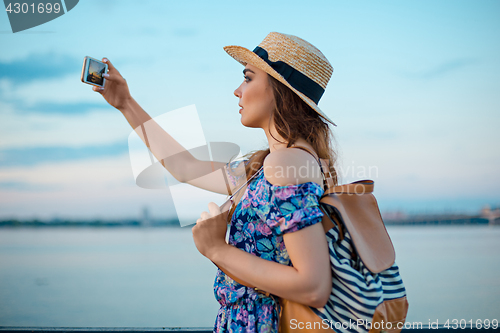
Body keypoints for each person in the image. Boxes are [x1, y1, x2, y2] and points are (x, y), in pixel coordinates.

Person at [93, 32, 338, 332]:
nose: (237, 91)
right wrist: (126, 103)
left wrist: (215, 249)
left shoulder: (287, 163)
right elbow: (185, 167)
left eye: (248, 78)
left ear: (279, 90)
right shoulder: (267, 165)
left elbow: (313, 286)